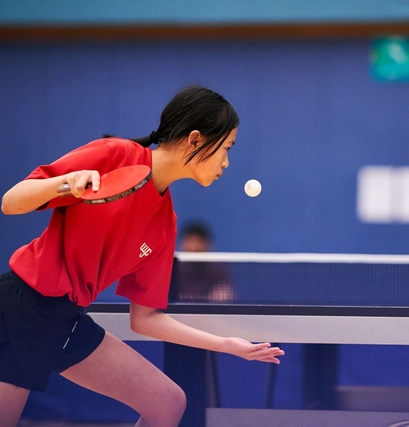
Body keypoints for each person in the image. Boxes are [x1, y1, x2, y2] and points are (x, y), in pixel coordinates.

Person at [0, 85, 284, 427]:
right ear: (194, 140)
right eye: (225, 148)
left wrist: (227, 345)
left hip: (67, 321)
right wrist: (66, 184)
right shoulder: (114, 155)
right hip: (20, 311)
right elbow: (11, 201)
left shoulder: (165, 224)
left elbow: (145, 318)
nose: (226, 161)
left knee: (168, 402)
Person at [172, 221, 235, 302]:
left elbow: (228, 296)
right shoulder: (173, 273)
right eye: (190, 241)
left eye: (198, 242)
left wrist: (226, 295)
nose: (194, 247)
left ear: (208, 244)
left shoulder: (219, 273)